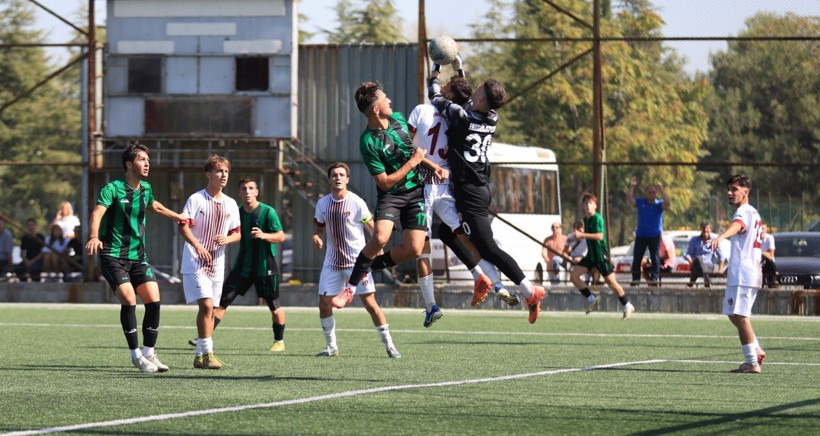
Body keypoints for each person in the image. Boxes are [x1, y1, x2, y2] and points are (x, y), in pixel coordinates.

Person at [429, 59, 545, 323]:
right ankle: (482, 277)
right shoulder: (492, 116)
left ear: (481, 99)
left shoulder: (460, 115)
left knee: (488, 247)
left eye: (479, 88)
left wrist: (435, 71)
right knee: (448, 232)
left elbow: (435, 95)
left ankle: (528, 291)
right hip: (479, 187)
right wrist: (459, 71)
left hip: (470, 192)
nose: (476, 87)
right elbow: (471, 100)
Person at [407, 73, 511, 327]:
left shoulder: (422, 109)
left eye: (445, 87)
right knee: (464, 236)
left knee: (422, 246)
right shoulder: (462, 113)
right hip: (445, 184)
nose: (440, 88)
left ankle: (431, 305)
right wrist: (457, 68)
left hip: (420, 183)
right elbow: (467, 96)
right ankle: (493, 282)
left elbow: (407, 146)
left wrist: (435, 71)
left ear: (449, 93)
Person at [330, 82, 438, 311]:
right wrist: (415, 162)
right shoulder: (368, 142)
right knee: (379, 239)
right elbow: (385, 182)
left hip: (415, 193)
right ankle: (349, 288)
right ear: (376, 109)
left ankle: (367, 266)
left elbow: (413, 153)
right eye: (384, 98)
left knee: (415, 250)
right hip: (392, 195)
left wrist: (432, 166)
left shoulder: (398, 119)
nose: (389, 100)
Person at [86, 142, 186, 373]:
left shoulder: (146, 189)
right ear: (129, 164)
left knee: (153, 299)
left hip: (138, 256)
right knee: (129, 299)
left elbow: (156, 207)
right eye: (142, 159)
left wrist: (178, 217)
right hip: (113, 254)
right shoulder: (112, 188)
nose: (147, 163)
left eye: (148, 160)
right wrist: (93, 236)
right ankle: (136, 356)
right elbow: (97, 212)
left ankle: (150, 353)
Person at [313, 162, 401, 358]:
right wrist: (317, 236)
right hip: (332, 264)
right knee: (324, 304)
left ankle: (389, 345)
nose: (337, 178)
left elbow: (372, 227)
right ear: (329, 179)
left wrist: (379, 248)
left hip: (357, 264)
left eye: (341, 175)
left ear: (347, 179)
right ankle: (331, 347)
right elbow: (319, 228)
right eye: (334, 175)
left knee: (370, 304)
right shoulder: (322, 204)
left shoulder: (356, 202)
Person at [196, 177, 288, 352]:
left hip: (265, 268)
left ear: (256, 192)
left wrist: (264, 235)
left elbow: (281, 236)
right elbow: (231, 234)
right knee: (222, 302)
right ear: (239, 192)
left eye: (251, 188)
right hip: (242, 267)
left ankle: (279, 341)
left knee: (274, 306)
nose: (247, 191)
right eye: (244, 188)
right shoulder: (237, 213)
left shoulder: (268, 212)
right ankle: (206, 337)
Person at [179, 155, 242, 370]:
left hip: (217, 264)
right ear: (208, 174)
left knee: (211, 309)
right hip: (195, 262)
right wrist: (198, 246)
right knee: (206, 305)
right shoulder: (196, 199)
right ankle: (209, 352)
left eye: (226, 171)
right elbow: (184, 226)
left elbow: (237, 233)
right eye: (218, 171)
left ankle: (200, 357)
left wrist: (228, 238)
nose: (223, 175)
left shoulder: (231, 203)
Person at [709, 174, 766, 373]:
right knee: (733, 314)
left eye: (734, 189)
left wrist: (722, 235)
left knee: (740, 316)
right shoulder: (755, 213)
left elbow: (738, 226)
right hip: (745, 271)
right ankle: (756, 350)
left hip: (744, 273)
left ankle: (752, 362)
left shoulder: (743, 211)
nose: (730, 193)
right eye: (729, 189)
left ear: (746, 192)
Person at [569, 193, 634, 319]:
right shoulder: (586, 220)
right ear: (583, 205)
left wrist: (582, 235)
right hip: (591, 257)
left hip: (600, 257)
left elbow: (599, 236)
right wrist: (574, 238)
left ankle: (626, 304)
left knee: (611, 283)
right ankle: (591, 298)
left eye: (590, 203)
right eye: (586, 203)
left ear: (595, 206)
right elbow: (585, 235)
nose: (588, 205)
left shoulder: (597, 218)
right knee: (574, 276)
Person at [627, 176, 669, 285]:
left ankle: (654, 278)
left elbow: (668, 203)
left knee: (655, 257)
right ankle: (635, 279)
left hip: (654, 235)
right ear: (646, 193)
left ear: (656, 193)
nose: (651, 194)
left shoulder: (659, 204)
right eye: (649, 192)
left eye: (653, 192)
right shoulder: (641, 202)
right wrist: (631, 187)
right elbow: (630, 200)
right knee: (637, 258)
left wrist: (662, 189)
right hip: (641, 235)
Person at [684, 220, 725, 288]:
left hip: (709, 266)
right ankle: (707, 283)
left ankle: (691, 282)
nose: (705, 230)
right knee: (699, 258)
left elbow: (721, 257)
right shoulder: (694, 240)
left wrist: (720, 270)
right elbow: (688, 254)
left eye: (707, 228)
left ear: (710, 230)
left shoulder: (714, 240)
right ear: (700, 229)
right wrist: (690, 261)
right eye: (703, 228)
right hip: (696, 265)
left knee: (701, 264)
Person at [760, 222, 777, 288]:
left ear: (766, 229)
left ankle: (772, 284)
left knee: (769, 261)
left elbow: (771, 254)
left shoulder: (769, 238)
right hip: (758, 263)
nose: (761, 230)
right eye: (760, 229)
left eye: (763, 228)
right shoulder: (754, 239)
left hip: (768, 264)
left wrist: (759, 253)